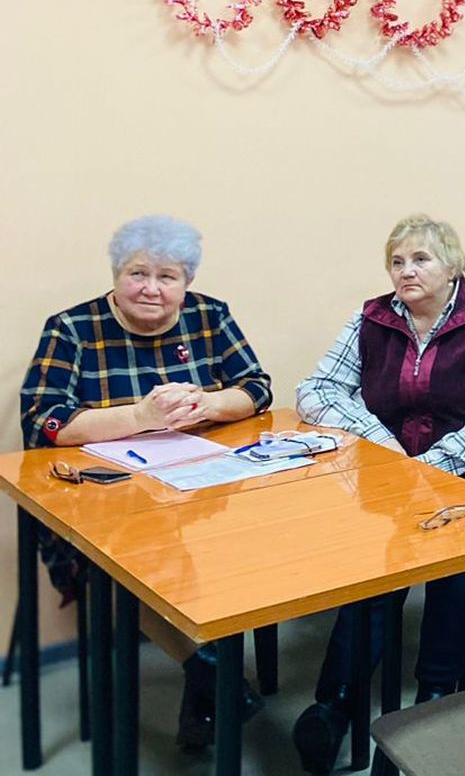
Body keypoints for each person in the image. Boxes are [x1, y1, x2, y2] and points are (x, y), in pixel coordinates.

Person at [20, 214, 274, 752]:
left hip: (199, 488)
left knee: (247, 541)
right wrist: (140, 417)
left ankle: (206, 682)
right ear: (117, 275)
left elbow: (256, 388)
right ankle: (207, 668)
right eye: (138, 273)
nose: (151, 288)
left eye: (168, 276)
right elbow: (44, 420)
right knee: (120, 563)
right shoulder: (72, 328)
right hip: (102, 501)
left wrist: (208, 403)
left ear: (187, 282)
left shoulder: (209, 315)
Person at [291, 215, 465, 775]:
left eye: (420, 259)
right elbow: (315, 390)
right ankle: (337, 701)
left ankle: (433, 697)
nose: (406, 272)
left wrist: (429, 468)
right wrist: (380, 441)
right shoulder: (373, 317)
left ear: (453, 266)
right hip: (392, 468)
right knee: (377, 559)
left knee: (454, 555)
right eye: (397, 262)